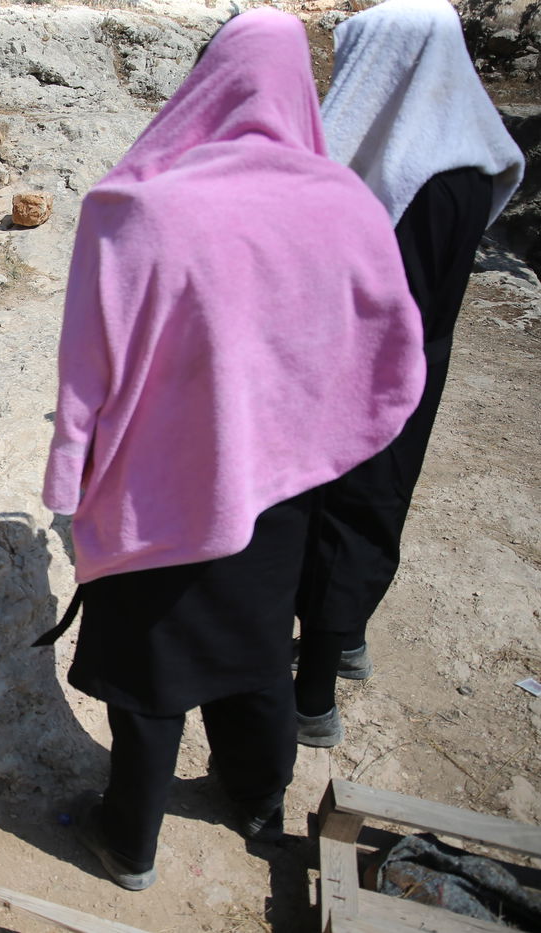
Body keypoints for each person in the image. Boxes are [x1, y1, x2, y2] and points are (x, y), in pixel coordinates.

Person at [40, 9, 425, 891]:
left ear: (206, 79)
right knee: (256, 643)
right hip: (279, 482)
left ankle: (130, 840)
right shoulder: (344, 203)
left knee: (153, 659)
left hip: (156, 487)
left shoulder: (135, 208)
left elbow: (87, 367)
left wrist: (70, 476)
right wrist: (322, 434)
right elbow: (389, 339)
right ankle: (255, 798)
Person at [293, 0, 525, 748]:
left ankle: (312, 699)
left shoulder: (410, 175)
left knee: (341, 513)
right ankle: (349, 638)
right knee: (381, 503)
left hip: (367, 368)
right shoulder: (468, 161)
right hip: (424, 359)